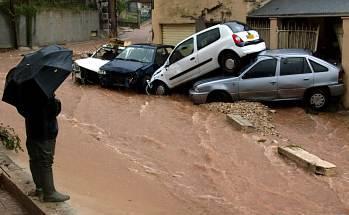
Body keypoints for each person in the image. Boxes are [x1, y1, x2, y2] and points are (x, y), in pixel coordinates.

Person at [17, 80, 70, 202]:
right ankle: (49, 193)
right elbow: (53, 111)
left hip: (31, 130)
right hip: (46, 132)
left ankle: (39, 189)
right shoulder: (45, 88)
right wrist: (55, 100)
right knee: (46, 162)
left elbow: (21, 110)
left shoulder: (23, 87)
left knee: (34, 158)